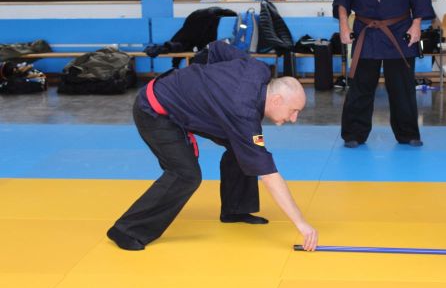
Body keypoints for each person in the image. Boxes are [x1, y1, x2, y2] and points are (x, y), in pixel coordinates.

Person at [107, 40, 318, 251]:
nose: (294, 119)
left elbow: (217, 48)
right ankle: (127, 230)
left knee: (242, 148)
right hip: (154, 111)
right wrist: (302, 224)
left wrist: (200, 82)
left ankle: (235, 208)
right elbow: (269, 175)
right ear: (277, 100)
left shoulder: (258, 69)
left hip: (184, 106)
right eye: (294, 111)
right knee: (186, 174)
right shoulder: (243, 114)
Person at [333, 0, 436, 148]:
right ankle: (354, 134)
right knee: (361, 85)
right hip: (366, 30)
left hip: (399, 30)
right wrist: (344, 26)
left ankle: (408, 133)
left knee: (402, 86)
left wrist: (417, 25)